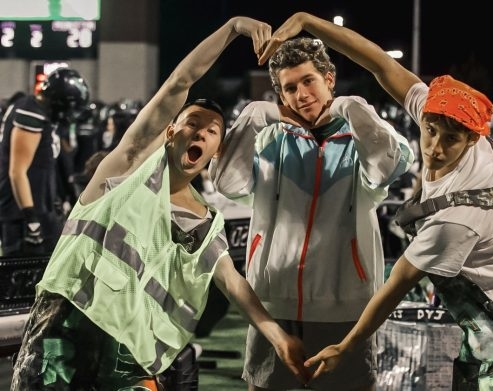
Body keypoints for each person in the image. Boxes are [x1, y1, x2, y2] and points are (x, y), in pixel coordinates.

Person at [259, 13, 493, 390]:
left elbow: (399, 281)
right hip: (489, 313)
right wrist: (308, 21)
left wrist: (347, 345)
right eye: (430, 132)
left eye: (449, 140)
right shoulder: (443, 114)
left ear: (472, 140)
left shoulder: (458, 219)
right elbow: (378, 62)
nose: (434, 148)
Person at [11, 17, 309, 390]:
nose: (200, 131)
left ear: (216, 152)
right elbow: (179, 83)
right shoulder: (125, 168)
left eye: (212, 131)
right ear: (170, 132)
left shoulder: (204, 221)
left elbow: (234, 284)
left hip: (127, 352)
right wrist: (232, 28)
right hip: (65, 324)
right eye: (191, 123)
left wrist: (278, 338)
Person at [209, 34, 415, 390]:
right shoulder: (269, 139)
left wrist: (349, 107)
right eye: (289, 88)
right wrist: (259, 113)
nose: (301, 95)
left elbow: (390, 164)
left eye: (309, 81)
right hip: (272, 307)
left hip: (348, 310)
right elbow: (228, 182)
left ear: (329, 79)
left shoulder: (360, 139)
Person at [0, 68, 89, 257]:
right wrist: (31, 218)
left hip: (38, 210)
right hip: (23, 218)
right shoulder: (31, 112)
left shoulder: (37, 110)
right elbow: (17, 172)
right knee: (25, 280)